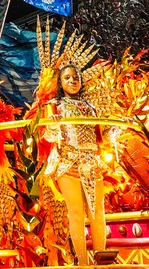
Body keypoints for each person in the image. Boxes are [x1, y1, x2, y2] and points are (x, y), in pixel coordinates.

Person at [42, 65, 106, 266]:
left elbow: (100, 138)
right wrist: (52, 124)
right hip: (68, 161)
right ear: (60, 83)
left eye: (75, 77)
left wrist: (114, 131)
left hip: (92, 161)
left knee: (98, 211)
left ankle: (102, 260)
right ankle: (82, 263)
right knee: (76, 212)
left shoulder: (91, 107)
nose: (72, 81)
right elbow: (48, 136)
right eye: (67, 78)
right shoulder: (54, 106)